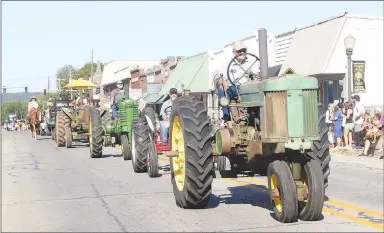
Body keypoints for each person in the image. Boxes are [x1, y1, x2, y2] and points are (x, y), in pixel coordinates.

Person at [216, 41, 260, 121]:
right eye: (240, 51)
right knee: (221, 89)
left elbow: (257, 74)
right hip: (234, 88)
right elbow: (220, 77)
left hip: (248, 88)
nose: (242, 53)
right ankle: (227, 117)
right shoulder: (227, 64)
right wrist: (223, 80)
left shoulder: (252, 62)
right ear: (234, 52)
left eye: (244, 51)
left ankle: (258, 116)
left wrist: (256, 76)